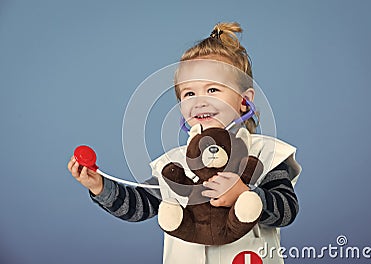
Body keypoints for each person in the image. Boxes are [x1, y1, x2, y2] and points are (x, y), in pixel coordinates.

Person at [67, 22, 301, 264]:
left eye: (212, 90)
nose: (199, 101)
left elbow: (287, 211)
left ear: (245, 100)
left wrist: (246, 194)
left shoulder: (265, 154)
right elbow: (139, 206)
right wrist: (99, 186)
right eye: (189, 93)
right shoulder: (174, 164)